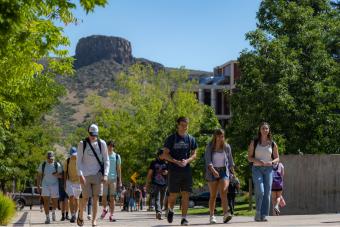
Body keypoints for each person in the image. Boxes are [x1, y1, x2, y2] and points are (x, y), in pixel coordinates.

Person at [161, 116, 198, 226]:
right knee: (173, 195)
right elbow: (164, 155)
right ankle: (170, 210)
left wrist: (187, 160)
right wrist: (176, 161)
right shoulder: (171, 139)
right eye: (182, 125)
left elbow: (194, 154)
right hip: (174, 170)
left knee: (186, 194)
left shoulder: (191, 139)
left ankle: (184, 218)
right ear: (178, 125)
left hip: (186, 170)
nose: (185, 127)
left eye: (186, 125)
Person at [77, 124, 110, 227]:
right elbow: (79, 161)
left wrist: (105, 174)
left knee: (96, 198)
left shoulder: (102, 144)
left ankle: (94, 221)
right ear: (88, 133)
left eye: (95, 135)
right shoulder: (82, 144)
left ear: (97, 134)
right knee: (86, 198)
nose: (93, 136)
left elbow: (106, 160)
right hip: (86, 175)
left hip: (97, 175)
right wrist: (80, 174)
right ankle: (80, 215)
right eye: (91, 134)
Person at [248, 122, 279, 222]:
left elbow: (277, 158)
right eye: (263, 128)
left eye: (266, 129)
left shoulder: (273, 143)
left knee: (267, 192)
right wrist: (257, 161)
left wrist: (271, 162)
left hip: (269, 170)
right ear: (260, 130)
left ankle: (264, 215)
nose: (265, 130)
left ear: (269, 130)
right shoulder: (254, 142)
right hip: (257, 169)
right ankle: (258, 212)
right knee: (260, 190)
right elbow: (249, 157)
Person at [204, 129, 234, 224]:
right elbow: (208, 161)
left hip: (223, 171)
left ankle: (225, 214)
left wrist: (233, 173)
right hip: (212, 171)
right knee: (213, 195)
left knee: (224, 192)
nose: (220, 138)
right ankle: (212, 216)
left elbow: (230, 161)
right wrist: (213, 171)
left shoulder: (227, 147)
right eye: (219, 136)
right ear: (215, 136)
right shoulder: (210, 146)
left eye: (222, 136)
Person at [36, 151, 63, 224]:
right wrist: (38, 186)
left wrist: (57, 175)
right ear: (46, 158)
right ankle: (47, 218)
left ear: (53, 158)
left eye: (51, 158)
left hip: (55, 184)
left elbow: (62, 176)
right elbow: (38, 175)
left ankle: (53, 211)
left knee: (55, 203)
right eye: (48, 158)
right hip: (45, 185)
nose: (50, 160)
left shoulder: (57, 165)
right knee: (46, 201)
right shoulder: (43, 164)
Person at [100, 140, 122, 222]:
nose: (110, 147)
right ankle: (105, 209)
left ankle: (111, 215)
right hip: (104, 179)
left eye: (112, 146)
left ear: (113, 147)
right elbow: (100, 167)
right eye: (109, 145)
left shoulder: (117, 156)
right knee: (104, 197)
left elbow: (119, 169)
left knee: (112, 197)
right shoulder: (103, 156)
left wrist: (120, 180)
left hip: (113, 179)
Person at [146, 148, 168, 220]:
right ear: (159, 155)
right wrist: (147, 183)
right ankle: (158, 212)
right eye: (163, 154)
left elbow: (170, 172)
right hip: (155, 183)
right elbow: (150, 173)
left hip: (164, 183)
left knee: (162, 199)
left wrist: (167, 172)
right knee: (157, 198)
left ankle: (159, 212)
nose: (164, 156)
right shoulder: (154, 162)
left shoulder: (167, 163)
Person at [64, 147, 82, 223]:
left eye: (75, 154)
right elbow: (65, 172)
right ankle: (73, 215)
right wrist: (64, 183)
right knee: (71, 197)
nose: (74, 156)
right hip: (69, 181)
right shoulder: (67, 161)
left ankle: (76, 213)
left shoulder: (80, 160)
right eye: (73, 155)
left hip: (78, 181)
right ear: (70, 154)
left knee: (77, 199)